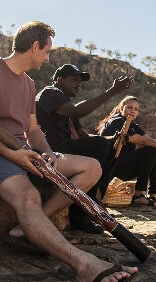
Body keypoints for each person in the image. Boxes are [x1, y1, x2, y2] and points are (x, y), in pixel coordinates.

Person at [0, 21, 137, 282]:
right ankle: (84, 264)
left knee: (92, 168)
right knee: (29, 195)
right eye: (47, 51)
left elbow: (33, 131)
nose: (48, 57)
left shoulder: (29, 84)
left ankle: (30, 226)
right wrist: (13, 156)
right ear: (35, 46)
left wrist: (47, 153)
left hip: (24, 149)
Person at [36, 64, 132, 233]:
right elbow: (77, 111)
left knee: (109, 149)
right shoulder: (49, 93)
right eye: (74, 80)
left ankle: (93, 204)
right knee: (101, 146)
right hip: (52, 150)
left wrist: (113, 139)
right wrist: (112, 91)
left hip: (66, 148)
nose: (78, 84)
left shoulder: (65, 103)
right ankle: (80, 214)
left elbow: (84, 138)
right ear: (59, 80)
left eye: (80, 81)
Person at [97, 95, 156, 206]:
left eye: (136, 109)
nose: (133, 111)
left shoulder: (132, 124)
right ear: (121, 108)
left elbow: (148, 139)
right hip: (109, 168)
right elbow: (143, 141)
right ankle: (139, 194)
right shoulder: (116, 122)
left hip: (122, 166)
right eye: (129, 107)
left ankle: (152, 195)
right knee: (150, 151)